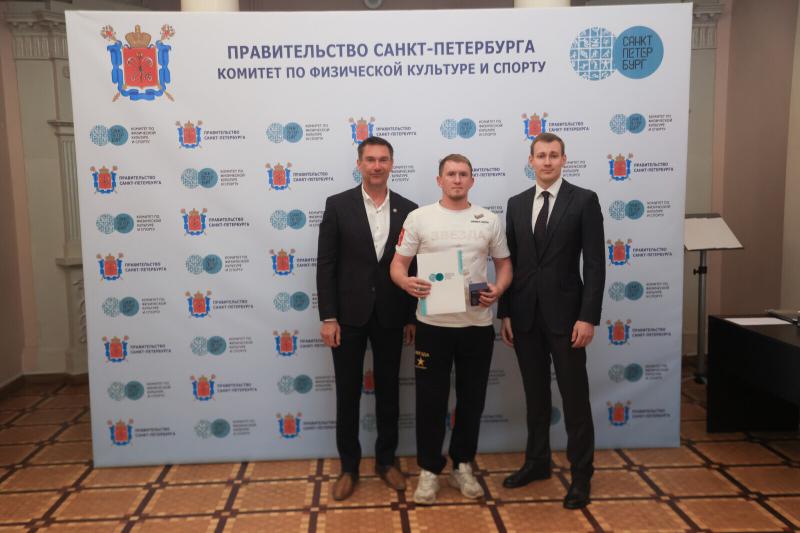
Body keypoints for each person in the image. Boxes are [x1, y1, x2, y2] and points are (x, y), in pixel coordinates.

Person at [390, 154, 512, 505]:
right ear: (439, 180)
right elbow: (397, 266)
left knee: (472, 400)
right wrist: (406, 283)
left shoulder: (488, 220)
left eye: (463, 174)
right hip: (432, 327)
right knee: (430, 401)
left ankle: (462, 465)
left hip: (476, 326)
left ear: (472, 180)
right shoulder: (419, 218)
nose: (457, 180)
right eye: (451, 174)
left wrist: (499, 289)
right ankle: (429, 470)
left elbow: (505, 266)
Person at [498, 132, 605, 510]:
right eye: (540, 155)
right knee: (536, 397)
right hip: (525, 317)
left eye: (553, 155)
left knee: (575, 399)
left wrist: (587, 317)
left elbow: (595, 264)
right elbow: (508, 263)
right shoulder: (516, 204)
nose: (547, 161)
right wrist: (506, 312)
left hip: (567, 319)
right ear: (531, 161)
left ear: (563, 160)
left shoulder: (584, 200)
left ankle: (581, 475)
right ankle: (537, 462)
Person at [316, 136, 417, 501]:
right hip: (347, 317)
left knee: (390, 391)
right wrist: (329, 317)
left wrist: (411, 316)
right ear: (359, 164)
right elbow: (326, 264)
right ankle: (349, 467)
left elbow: (412, 266)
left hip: (392, 314)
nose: (377, 166)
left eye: (383, 159)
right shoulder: (337, 205)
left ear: (392, 164)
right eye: (370, 159)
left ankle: (386, 461)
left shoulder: (409, 209)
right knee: (347, 393)